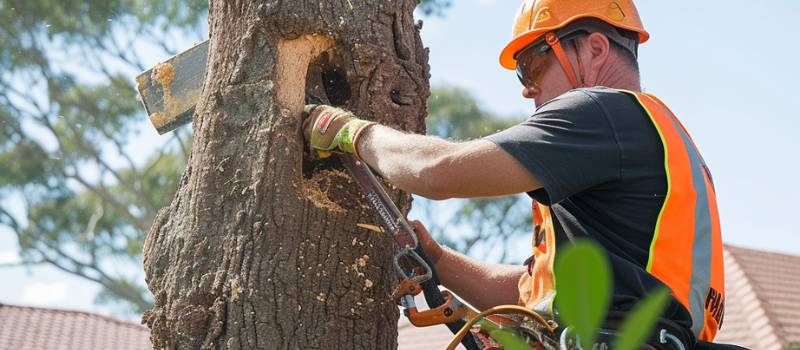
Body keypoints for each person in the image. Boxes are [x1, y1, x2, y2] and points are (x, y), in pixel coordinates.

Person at [303, 0, 725, 348]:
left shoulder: (603, 112)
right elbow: (533, 295)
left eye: (534, 64)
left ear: (595, 49)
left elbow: (436, 173)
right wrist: (438, 261)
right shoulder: (658, 139)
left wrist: (349, 132)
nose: (527, 87)